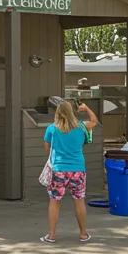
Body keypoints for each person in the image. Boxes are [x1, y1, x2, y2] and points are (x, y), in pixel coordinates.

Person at [40, 98, 98, 245]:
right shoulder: (82, 127)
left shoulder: (52, 129)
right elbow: (94, 121)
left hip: (58, 170)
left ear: (57, 112)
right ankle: (83, 234)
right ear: (71, 112)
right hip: (78, 169)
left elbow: (47, 149)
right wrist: (86, 108)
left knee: (54, 202)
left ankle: (51, 235)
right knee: (79, 201)